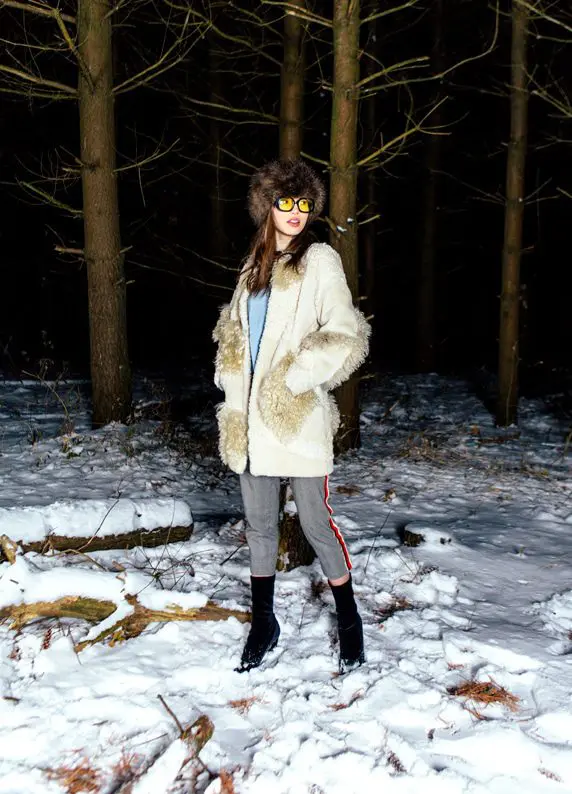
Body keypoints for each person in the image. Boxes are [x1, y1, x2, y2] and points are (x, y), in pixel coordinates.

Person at [213, 159, 371, 673]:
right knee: (260, 526)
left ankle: (350, 621)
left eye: (304, 203)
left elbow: (344, 332)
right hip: (250, 423)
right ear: (267, 207)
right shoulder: (251, 268)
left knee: (316, 522)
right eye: (285, 202)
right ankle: (264, 623)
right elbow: (234, 338)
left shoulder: (319, 260)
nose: (296, 211)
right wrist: (232, 391)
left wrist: (295, 380)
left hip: (296, 415)